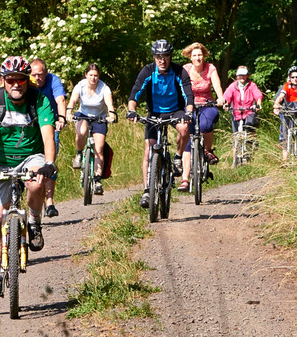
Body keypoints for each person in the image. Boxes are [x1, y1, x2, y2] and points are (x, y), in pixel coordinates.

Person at [0, 56, 57, 298]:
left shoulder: (39, 100)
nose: (16, 84)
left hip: (31, 156)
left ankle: (34, 221)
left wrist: (49, 163)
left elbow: (48, 135)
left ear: (27, 80)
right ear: (4, 81)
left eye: (21, 79)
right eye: (11, 80)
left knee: (35, 183)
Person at [128, 39, 193, 208]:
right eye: (158, 57)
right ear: (154, 57)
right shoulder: (148, 71)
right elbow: (135, 92)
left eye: (165, 56)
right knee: (148, 150)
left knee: (184, 127)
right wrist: (131, 110)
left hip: (175, 111)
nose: (162, 60)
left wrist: (189, 112)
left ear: (170, 57)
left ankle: (177, 157)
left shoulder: (179, 71)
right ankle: (146, 191)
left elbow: (188, 94)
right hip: (155, 113)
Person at [179, 42, 228, 190]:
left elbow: (217, 85)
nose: (197, 58)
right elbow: (178, 87)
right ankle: (185, 179)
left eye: (200, 55)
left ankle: (207, 150)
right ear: (190, 57)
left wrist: (220, 98)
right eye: (194, 55)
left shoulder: (210, 68)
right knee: (188, 138)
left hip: (207, 105)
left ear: (204, 56)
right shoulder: (185, 69)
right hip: (189, 106)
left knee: (206, 125)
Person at [66, 62, 117, 195]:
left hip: (99, 117)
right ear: (86, 75)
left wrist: (111, 115)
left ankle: (98, 180)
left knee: (99, 149)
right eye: (90, 75)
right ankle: (78, 154)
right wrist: (69, 112)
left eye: (95, 75)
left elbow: (109, 104)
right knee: (81, 132)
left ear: (99, 76)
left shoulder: (104, 88)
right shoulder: (80, 85)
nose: (93, 78)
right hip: (83, 114)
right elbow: (73, 100)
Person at [28, 58, 68, 217]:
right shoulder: (26, 84)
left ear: (46, 73)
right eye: (34, 75)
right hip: (30, 127)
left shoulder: (53, 81)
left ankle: (50, 202)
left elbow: (60, 100)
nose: (37, 78)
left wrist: (61, 118)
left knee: (49, 161)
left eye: (40, 74)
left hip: (50, 124)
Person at [221, 65, 264, 135]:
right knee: (236, 133)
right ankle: (236, 142)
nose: (242, 77)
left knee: (249, 129)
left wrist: (258, 104)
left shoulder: (252, 85)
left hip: (249, 111)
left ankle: (251, 140)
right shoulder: (233, 86)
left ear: (247, 75)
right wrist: (226, 104)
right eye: (240, 75)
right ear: (237, 76)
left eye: (244, 75)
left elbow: (258, 95)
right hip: (236, 112)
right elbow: (227, 96)